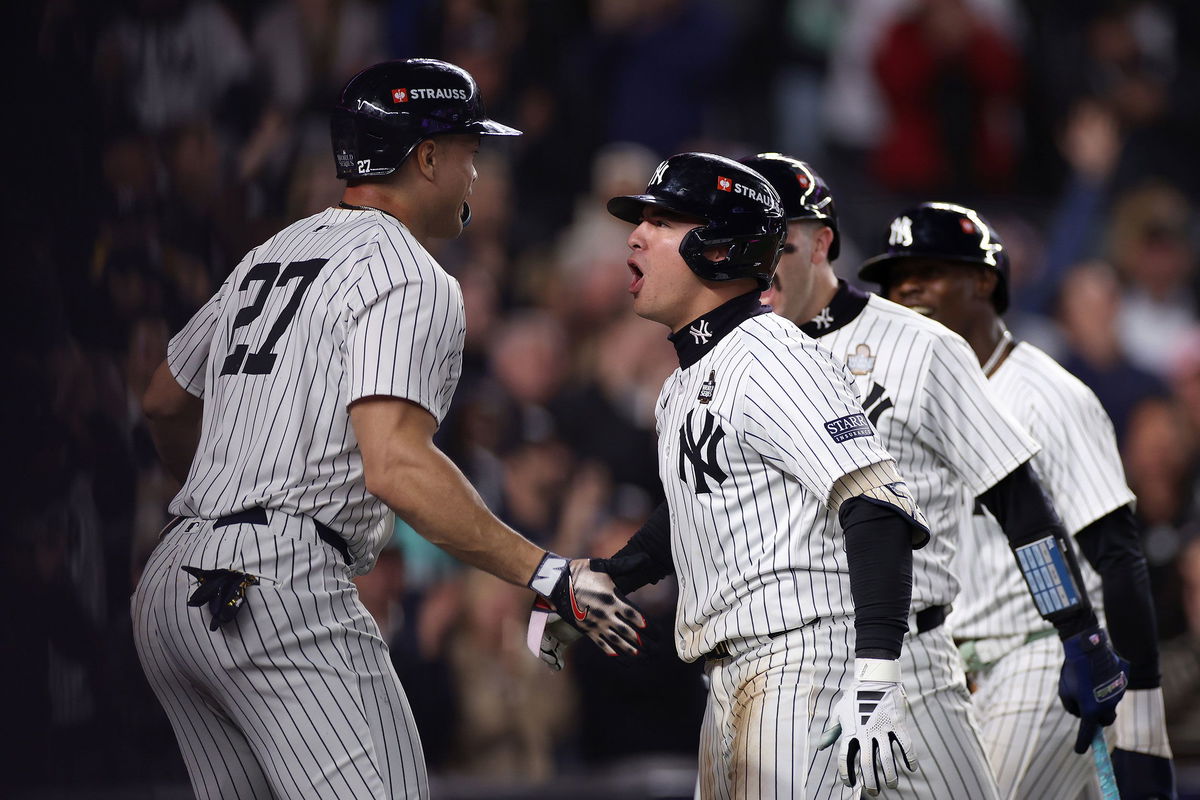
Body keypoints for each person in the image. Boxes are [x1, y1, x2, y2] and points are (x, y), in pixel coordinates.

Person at [132, 58, 646, 800]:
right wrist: (546, 571)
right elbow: (397, 466)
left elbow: (162, 399)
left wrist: (224, 504)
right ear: (427, 157)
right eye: (470, 150)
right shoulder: (409, 270)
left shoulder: (269, 255)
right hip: (274, 582)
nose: (477, 170)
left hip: (172, 582)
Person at [535, 151, 933, 798]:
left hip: (799, 667)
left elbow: (877, 506)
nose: (635, 236)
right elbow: (693, 516)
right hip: (734, 679)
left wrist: (877, 672)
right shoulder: (685, 382)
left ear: (720, 249)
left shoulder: (772, 356)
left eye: (662, 222)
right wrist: (603, 579)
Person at [863, 201, 1174, 800]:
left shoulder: (1047, 395)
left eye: (927, 270)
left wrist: (1143, 716)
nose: (906, 289)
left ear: (984, 280)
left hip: (1048, 659)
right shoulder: (903, 407)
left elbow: (1118, 555)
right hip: (949, 671)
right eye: (895, 279)